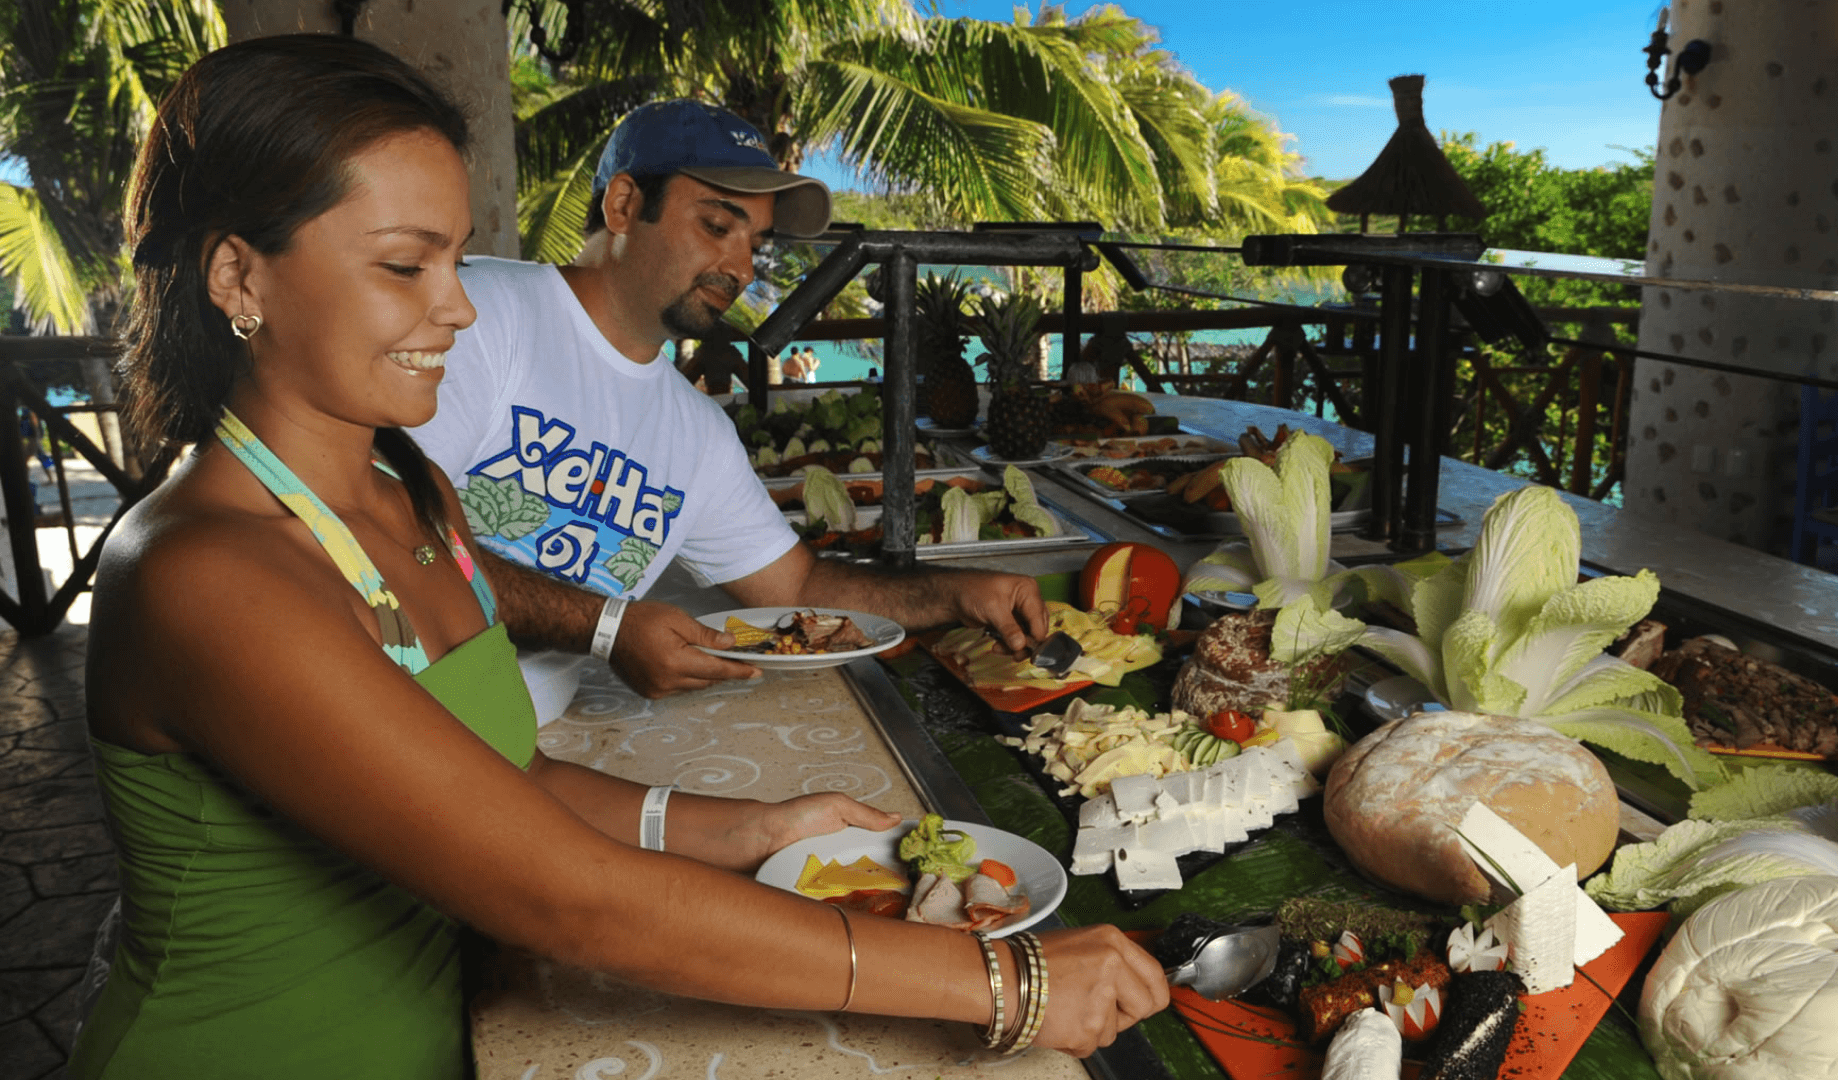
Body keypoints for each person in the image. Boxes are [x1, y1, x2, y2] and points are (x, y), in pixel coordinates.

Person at [74, 35, 1165, 1080]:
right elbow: (562, 896)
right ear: (236, 279)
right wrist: (995, 980)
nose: (456, 306)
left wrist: (754, 830)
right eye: (406, 265)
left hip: (433, 1035)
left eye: (454, 259)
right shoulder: (204, 574)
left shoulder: (407, 487)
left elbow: (507, 779)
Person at [411, 100, 1051, 720]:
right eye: (717, 227)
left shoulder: (696, 433)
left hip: (519, 740)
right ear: (625, 205)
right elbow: (394, 532)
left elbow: (798, 591)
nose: (742, 268)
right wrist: (607, 628)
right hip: (402, 719)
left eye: (757, 242)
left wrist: (959, 592)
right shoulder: (481, 317)